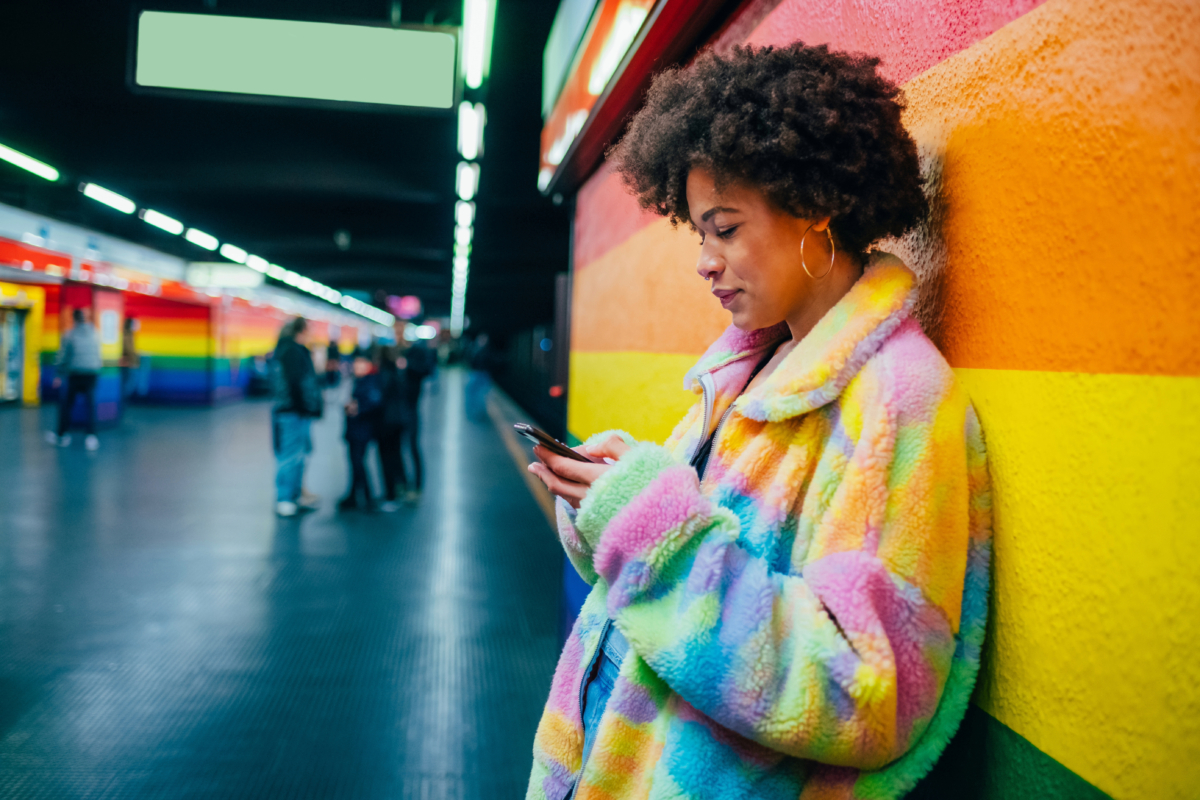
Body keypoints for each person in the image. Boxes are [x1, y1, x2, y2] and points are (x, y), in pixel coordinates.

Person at [525, 44, 991, 800]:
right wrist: (612, 501)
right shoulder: (757, 369)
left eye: (725, 228)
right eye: (699, 231)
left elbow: (863, 691)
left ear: (814, 209)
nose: (704, 261)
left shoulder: (897, 400)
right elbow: (691, 542)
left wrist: (647, 530)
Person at [272, 317, 323, 517]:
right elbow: (296, 384)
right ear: (301, 331)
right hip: (293, 411)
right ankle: (284, 498)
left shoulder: (288, 349)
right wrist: (305, 407)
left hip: (296, 411)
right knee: (290, 456)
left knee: (299, 455)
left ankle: (294, 495)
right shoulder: (292, 351)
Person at [46, 308, 103, 451]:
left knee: (67, 405)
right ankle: (91, 437)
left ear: (74, 319)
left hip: (76, 374)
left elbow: (62, 356)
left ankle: (62, 435)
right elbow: (98, 353)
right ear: (85, 318)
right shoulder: (95, 334)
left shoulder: (69, 335)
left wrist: (58, 374)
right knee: (90, 405)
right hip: (92, 373)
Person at [339, 350, 383, 511]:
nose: (357, 366)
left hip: (362, 429)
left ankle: (367, 496)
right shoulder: (357, 380)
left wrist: (358, 409)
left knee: (358, 462)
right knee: (354, 461)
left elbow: (375, 402)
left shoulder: (370, 381)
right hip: (354, 429)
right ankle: (354, 496)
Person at [376, 345, 412, 511]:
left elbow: (379, 398)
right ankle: (402, 488)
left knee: (386, 458)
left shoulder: (383, 374)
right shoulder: (398, 372)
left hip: (386, 422)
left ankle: (391, 495)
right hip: (400, 419)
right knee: (397, 455)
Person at [399, 337, 435, 500]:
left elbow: (426, 370)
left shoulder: (415, 353)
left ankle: (417, 486)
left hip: (410, 407)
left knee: (412, 447)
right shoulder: (394, 350)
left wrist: (407, 365)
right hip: (397, 407)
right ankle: (403, 483)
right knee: (397, 447)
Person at [464, 332, 496, 421]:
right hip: (475, 373)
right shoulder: (474, 349)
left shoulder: (486, 351)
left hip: (483, 375)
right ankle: (472, 412)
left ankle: (478, 413)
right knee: (472, 393)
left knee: (480, 395)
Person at [119, 316, 140, 404]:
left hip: (128, 363)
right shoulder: (127, 334)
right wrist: (134, 359)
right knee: (127, 385)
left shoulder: (127, 334)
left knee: (126, 384)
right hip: (128, 363)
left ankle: (123, 401)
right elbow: (129, 349)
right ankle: (123, 402)